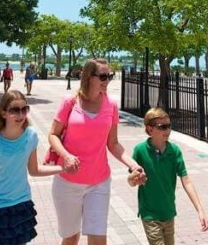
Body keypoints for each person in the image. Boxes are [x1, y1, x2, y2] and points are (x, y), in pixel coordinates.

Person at [48, 58, 143, 245]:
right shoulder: (70, 101)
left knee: (99, 239)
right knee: (70, 238)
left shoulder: (111, 106)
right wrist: (66, 156)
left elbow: (113, 144)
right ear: (88, 76)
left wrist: (133, 165)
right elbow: (53, 135)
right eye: (103, 76)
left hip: (99, 182)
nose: (107, 80)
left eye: (110, 76)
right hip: (67, 182)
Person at [0, 90, 63, 245]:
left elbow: (34, 170)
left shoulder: (31, 136)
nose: (20, 115)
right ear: (3, 113)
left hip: (20, 207)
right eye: (15, 110)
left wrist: (62, 168)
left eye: (24, 109)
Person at [127, 108, 208, 245]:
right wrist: (133, 180)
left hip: (169, 212)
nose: (167, 130)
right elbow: (131, 180)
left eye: (169, 126)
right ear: (150, 129)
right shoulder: (140, 151)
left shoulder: (174, 151)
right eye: (162, 127)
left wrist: (200, 210)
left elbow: (186, 181)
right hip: (150, 214)